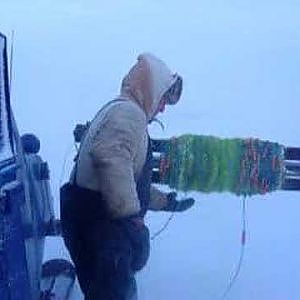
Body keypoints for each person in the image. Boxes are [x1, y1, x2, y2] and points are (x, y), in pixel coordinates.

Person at [60, 53, 195, 300]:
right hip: (102, 234)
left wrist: (165, 202)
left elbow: (125, 180)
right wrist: (132, 219)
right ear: (150, 89)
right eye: (163, 98)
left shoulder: (123, 111)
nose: (163, 108)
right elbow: (111, 158)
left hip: (95, 227)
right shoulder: (129, 113)